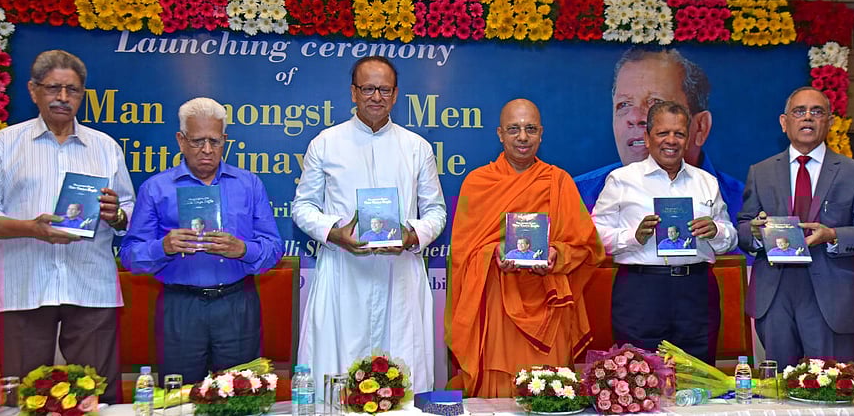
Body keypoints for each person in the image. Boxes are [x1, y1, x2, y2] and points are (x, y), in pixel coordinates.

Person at [0, 50, 134, 403]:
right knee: (25, 398)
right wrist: (32, 228)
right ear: (33, 90)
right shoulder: (5, 144)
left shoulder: (105, 147)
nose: (63, 98)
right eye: (54, 88)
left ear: (82, 95)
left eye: (72, 90)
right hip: (26, 284)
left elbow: (127, 210)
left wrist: (116, 215)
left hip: (90, 286)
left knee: (99, 398)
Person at [292, 56, 446, 396]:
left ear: (395, 95)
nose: (376, 96)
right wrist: (334, 232)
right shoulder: (326, 143)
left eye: (384, 90)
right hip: (344, 273)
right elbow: (302, 207)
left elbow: (436, 211)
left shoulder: (416, 148)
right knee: (339, 375)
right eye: (368, 88)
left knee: (403, 376)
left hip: (400, 275)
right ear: (353, 92)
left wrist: (411, 236)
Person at [120, 97, 285, 384]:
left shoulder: (249, 184)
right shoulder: (156, 188)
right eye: (197, 141)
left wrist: (243, 249)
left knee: (241, 395)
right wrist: (164, 247)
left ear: (225, 140)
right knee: (178, 397)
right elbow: (130, 255)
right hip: (180, 306)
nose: (207, 150)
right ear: (180, 140)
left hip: (237, 303)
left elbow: (274, 248)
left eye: (215, 141)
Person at [446, 98, 605, 397]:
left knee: (547, 391)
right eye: (514, 129)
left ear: (541, 134)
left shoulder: (559, 181)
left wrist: (558, 254)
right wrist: (491, 254)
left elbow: (588, 247)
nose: (522, 137)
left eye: (530, 129)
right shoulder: (477, 183)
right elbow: (462, 253)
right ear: (500, 134)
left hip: (549, 303)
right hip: (497, 303)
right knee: (500, 388)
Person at [592, 101, 737, 364]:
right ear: (647, 137)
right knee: (639, 378)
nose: (671, 141)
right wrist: (633, 237)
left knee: (698, 375)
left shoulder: (706, 182)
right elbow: (594, 235)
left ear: (689, 138)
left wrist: (715, 231)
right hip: (641, 290)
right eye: (662, 133)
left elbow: (729, 237)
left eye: (679, 134)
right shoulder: (622, 180)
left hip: (696, 290)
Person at [737, 87, 854, 365]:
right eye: (799, 111)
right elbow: (743, 226)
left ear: (830, 122)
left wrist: (832, 235)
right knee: (778, 393)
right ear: (784, 122)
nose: (807, 118)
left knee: (831, 389)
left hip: (831, 296)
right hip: (774, 295)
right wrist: (753, 231)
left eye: (817, 111)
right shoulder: (760, 172)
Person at [574, 47, 744, 225]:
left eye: (656, 103)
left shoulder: (743, 202)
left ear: (700, 127)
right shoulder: (576, 195)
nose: (634, 117)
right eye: (624, 104)